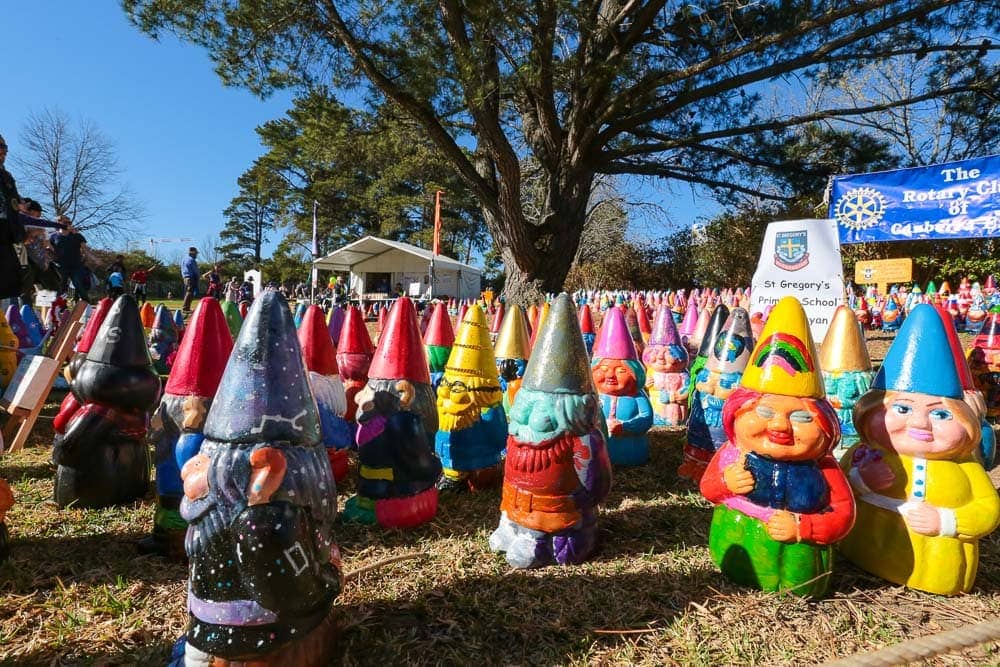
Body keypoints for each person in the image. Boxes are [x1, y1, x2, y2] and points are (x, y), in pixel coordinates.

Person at [0, 133, 26, 301]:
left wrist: (20, 234)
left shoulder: (7, 177)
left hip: (5, 230)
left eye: (5, 148)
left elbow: (15, 206)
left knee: (8, 280)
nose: (3, 152)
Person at [50, 221, 96, 302]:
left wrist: (94, 259)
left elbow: (85, 249)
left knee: (78, 284)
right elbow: (49, 249)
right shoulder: (54, 237)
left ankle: (86, 303)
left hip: (76, 266)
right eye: (64, 223)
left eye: (68, 224)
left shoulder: (77, 236)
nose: (66, 225)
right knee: (61, 287)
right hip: (60, 266)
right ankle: (59, 305)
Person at [181, 247, 199, 313]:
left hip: (185, 277)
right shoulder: (192, 260)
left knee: (188, 292)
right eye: (196, 253)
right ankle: (185, 308)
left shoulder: (184, 259)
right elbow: (195, 271)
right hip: (191, 277)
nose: (196, 255)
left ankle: (186, 307)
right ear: (193, 253)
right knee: (190, 292)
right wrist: (197, 277)